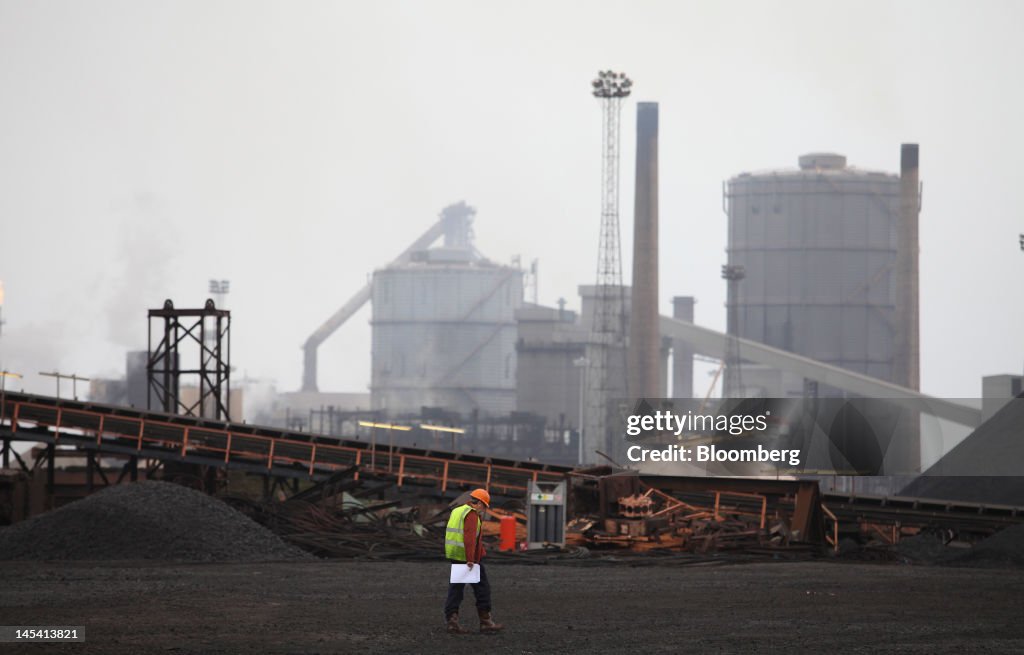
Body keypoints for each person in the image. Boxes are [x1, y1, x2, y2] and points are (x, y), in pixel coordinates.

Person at [443, 488, 505, 634]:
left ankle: (452, 621)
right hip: (469, 559)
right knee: (482, 588)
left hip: (456, 555)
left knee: (456, 589)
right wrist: (471, 560)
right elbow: (469, 539)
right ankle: (486, 621)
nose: (483, 510)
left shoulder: (457, 511)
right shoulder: (471, 515)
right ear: (479, 504)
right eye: (484, 506)